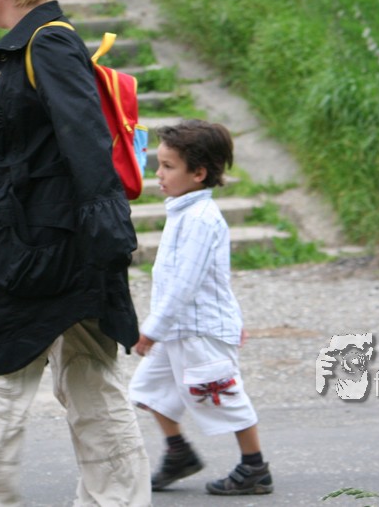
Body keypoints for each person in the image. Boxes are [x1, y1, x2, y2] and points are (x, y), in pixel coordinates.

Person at [0, 0, 152, 506]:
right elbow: (16, 157)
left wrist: (111, 241)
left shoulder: (48, 45)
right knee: (91, 386)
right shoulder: (24, 49)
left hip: (45, 256)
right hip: (43, 244)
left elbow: (86, 142)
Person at [129, 119, 274, 496]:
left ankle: (255, 467)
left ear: (199, 173)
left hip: (198, 330)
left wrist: (152, 329)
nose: (158, 174)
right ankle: (179, 453)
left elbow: (186, 283)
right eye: (159, 164)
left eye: (168, 166)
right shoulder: (183, 211)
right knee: (147, 390)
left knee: (222, 395)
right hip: (180, 329)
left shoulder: (200, 219)